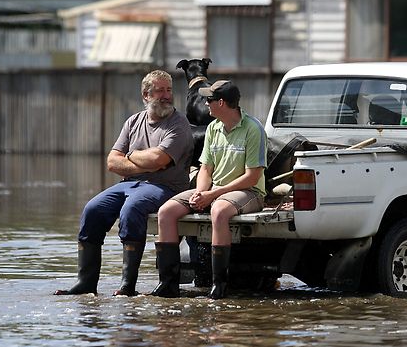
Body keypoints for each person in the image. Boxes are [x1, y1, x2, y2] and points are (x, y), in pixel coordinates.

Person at [54, 70, 193, 296]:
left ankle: (127, 286)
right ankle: (86, 283)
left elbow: (159, 160)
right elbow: (112, 161)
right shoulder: (133, 121)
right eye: (160, 90)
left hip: (166, 187)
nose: (167, 95)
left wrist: (130, 156)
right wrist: (142, 160)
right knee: (92, 209)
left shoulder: (178, 124)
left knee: (132, 208)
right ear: (146, 95)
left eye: (169, 90)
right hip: (128, 184)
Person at [150, 80, 267, 299]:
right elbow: (205, 168)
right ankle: (168, 284)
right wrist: (200, 192)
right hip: (214, 189)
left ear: (221, 103)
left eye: (209, 100)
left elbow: (252, 177)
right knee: (166, 212)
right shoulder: (213, 128)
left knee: (219, 211)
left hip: (249, 191)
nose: (205, 103)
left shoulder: (253, 128)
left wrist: (212, 195)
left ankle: (219, 285)